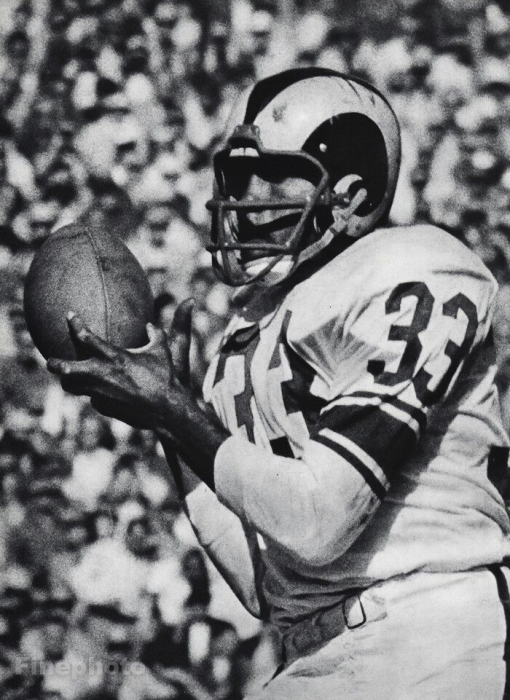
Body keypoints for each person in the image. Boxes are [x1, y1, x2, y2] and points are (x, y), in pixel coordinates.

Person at [47, 67, 510, 699]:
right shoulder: (249, 329)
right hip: (312, 652)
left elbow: (319, 521)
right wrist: (172, 429)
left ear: (351, 196)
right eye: (240, 175)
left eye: (276, 173)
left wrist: (179, 414)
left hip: (431, 630)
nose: (249, 195)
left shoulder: (411, 266)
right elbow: (263, 587)